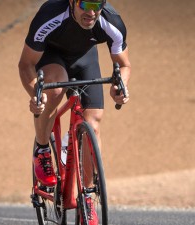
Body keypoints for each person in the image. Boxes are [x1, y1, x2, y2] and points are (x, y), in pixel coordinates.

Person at [18, 0, 130, 223]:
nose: (91, 11)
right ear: (71, 2)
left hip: (85, 60)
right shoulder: (50, 15)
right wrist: (36, 95)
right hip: (51, 58)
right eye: (84, 3)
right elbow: (25, 64)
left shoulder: (111, 21)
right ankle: (41, 150)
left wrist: (121, 86)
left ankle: (87, 196)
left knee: (94, 122)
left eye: (97, 3)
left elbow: (123, 65)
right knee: (56, 89)